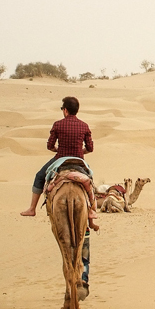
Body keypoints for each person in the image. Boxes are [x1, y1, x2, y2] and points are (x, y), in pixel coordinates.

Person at [21, 96, 98, 230]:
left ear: (65, 110)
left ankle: (32, 209)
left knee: (39, 176)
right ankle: (91, 211)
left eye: (63, 108)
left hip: (60, 158)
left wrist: (58, 149)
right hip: (79, 160)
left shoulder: (58, 124)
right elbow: (90, 148)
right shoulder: (84, 126)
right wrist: (80, 151)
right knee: (89, 181)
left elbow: (50, 146)